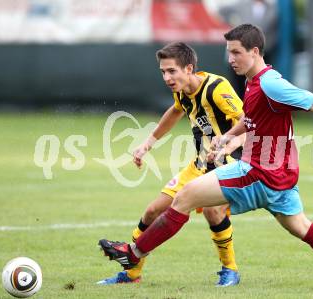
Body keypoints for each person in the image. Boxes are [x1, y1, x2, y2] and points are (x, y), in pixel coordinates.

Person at [99, 24, 313, 288]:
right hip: (282, 177)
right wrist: (228, 137)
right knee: (301, 227)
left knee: (184, 197)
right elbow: (252, 119)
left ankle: (133, 254)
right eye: (229, 53)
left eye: (236, 52)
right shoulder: (253, 82)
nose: (231, 59)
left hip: (257, 172)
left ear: (255, 52)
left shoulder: (270, 84)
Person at [98, 42, 245, 287]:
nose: (167, 77)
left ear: (188, 68)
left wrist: (228, 144)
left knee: (213, 211)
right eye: (163, 72)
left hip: (228, 163)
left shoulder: (217, 88)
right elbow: (175, 111)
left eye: (172, 71)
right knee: (152, 211)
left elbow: (249, 123)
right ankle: (132, 274)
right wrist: (148, 143)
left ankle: (230, 270)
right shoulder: (181, 90)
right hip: (198, 164)